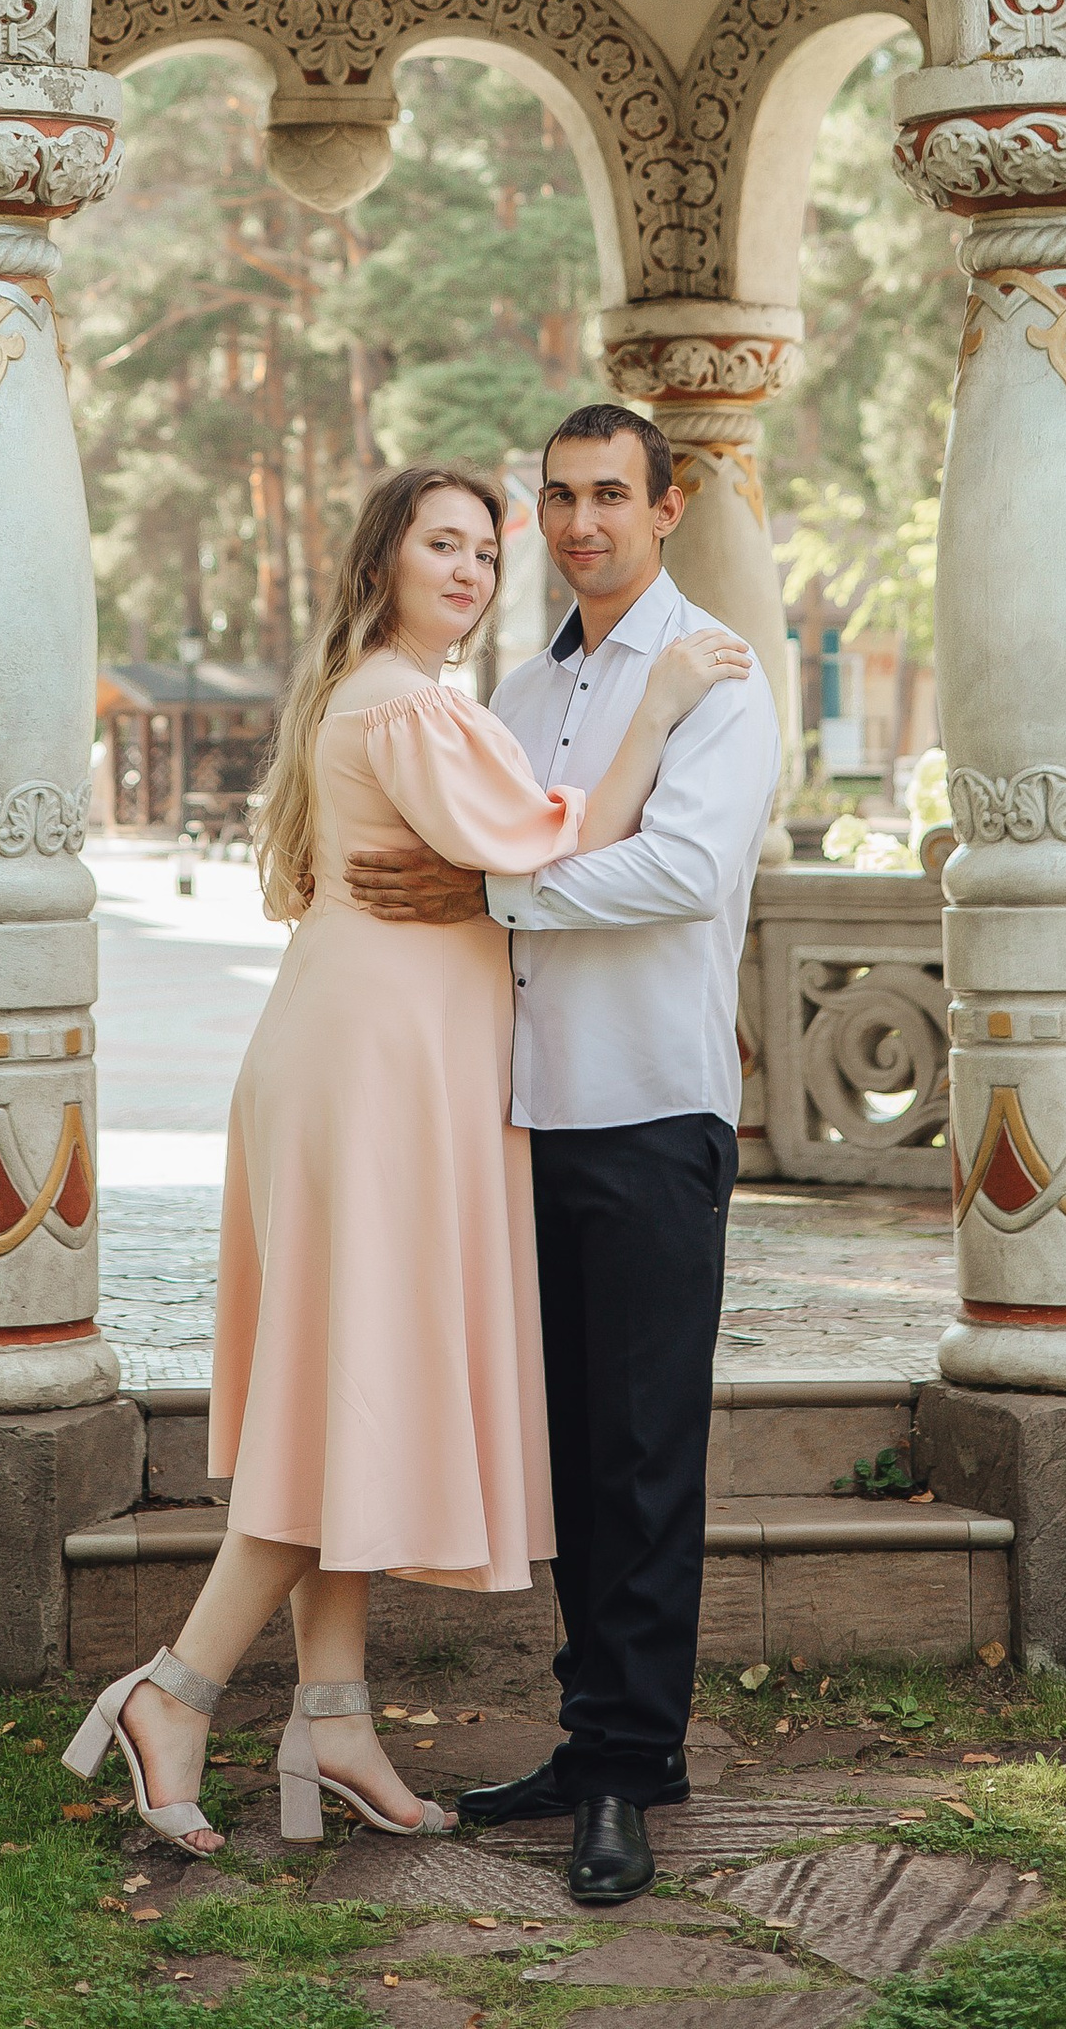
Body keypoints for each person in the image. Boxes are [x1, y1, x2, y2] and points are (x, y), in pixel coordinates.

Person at [63, 459, 744, 1858]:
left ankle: (333, 1715)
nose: (471, 572)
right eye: (444, 546)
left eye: (483, 556)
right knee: (341, 1404)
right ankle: (176, 1693)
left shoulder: (387, 699)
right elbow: (560, 841)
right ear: (381, 564)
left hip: (364, 1064)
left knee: (343, 1388)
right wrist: (663, 702)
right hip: (374, 1081)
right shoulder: (416, 705)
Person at [346, 404, 777, 1908]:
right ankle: (592, 1735)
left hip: (653, 1111)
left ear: (669, 503)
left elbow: (676, 869)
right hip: (523, 1117)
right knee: (575, 1459)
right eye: (561, 498)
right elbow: (500, 832)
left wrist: (492, 897)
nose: (583, 521)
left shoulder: (720, 673)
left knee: (648, 1457)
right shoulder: (519, 692)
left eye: (612, 494)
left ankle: (625, 1779)